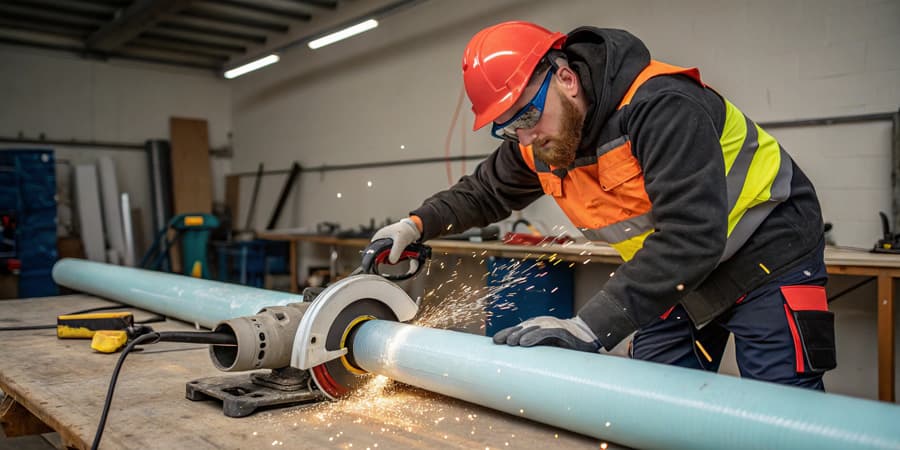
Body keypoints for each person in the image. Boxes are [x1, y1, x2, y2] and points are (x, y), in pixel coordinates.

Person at [370, 21, 835, 390]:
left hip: (767, 255)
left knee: (780, 408)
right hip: (672, 274)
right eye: (509, 128)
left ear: (567, 79)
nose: (525, 138)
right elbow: (484, 192)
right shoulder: (539, 137)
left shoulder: (662, 106)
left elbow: (692, 235)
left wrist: (589, 326)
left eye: (528, 117)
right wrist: (412, 226)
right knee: (650, 400)